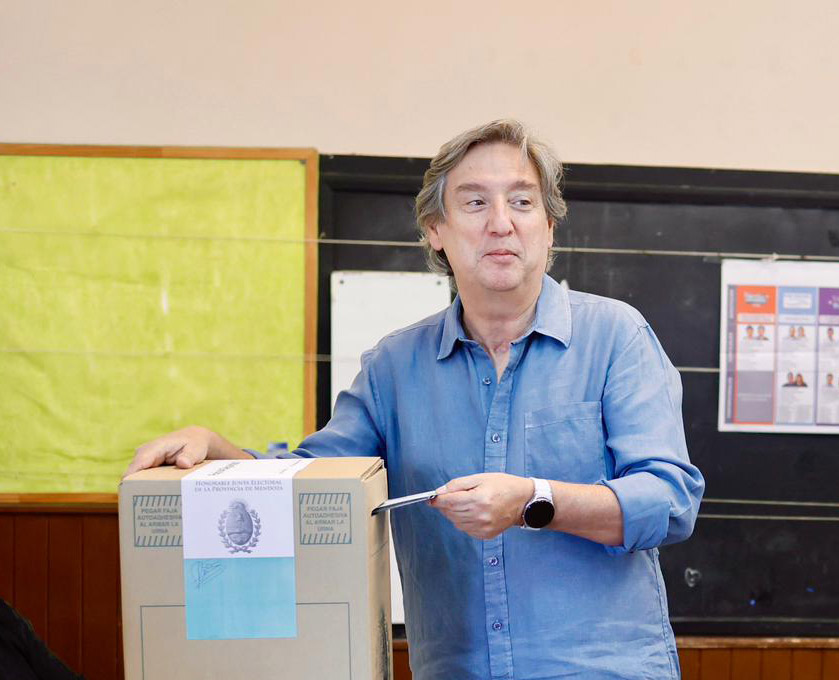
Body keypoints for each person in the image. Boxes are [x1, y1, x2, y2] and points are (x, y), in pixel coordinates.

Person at [125, 120, 704, 679]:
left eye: (522, 202)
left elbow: (669, 501)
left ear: (549, 227)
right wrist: (217, 453)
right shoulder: (394, 367)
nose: (501, 223)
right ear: (435, 230)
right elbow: (313, 486)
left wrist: (534, 500)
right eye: (474, 203)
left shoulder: (616, 337)